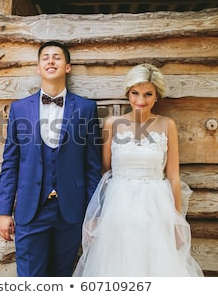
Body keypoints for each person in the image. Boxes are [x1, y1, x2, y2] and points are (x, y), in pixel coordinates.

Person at [73, 63, 204, 277]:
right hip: (118, 207)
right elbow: (104, 174)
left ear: (157, 96)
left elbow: (172, 176)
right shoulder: (112, 124)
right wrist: (95, 216)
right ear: (128, 93)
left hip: (156, 207)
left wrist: (177, 221)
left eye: (147, 94)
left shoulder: (167, 125)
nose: (140, 101)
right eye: (135, 93)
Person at [0, 41, 102, 276]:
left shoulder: (86, 109)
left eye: (57, 57)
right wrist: (4, 212)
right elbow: (10, 164)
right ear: (38, 68)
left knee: (62, 278)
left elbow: (92, 166)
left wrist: (92, 213)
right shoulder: (19, 109)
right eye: (45, 57)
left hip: (71, 211)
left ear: (68, 67)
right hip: (29, 210)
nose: (51, 61)